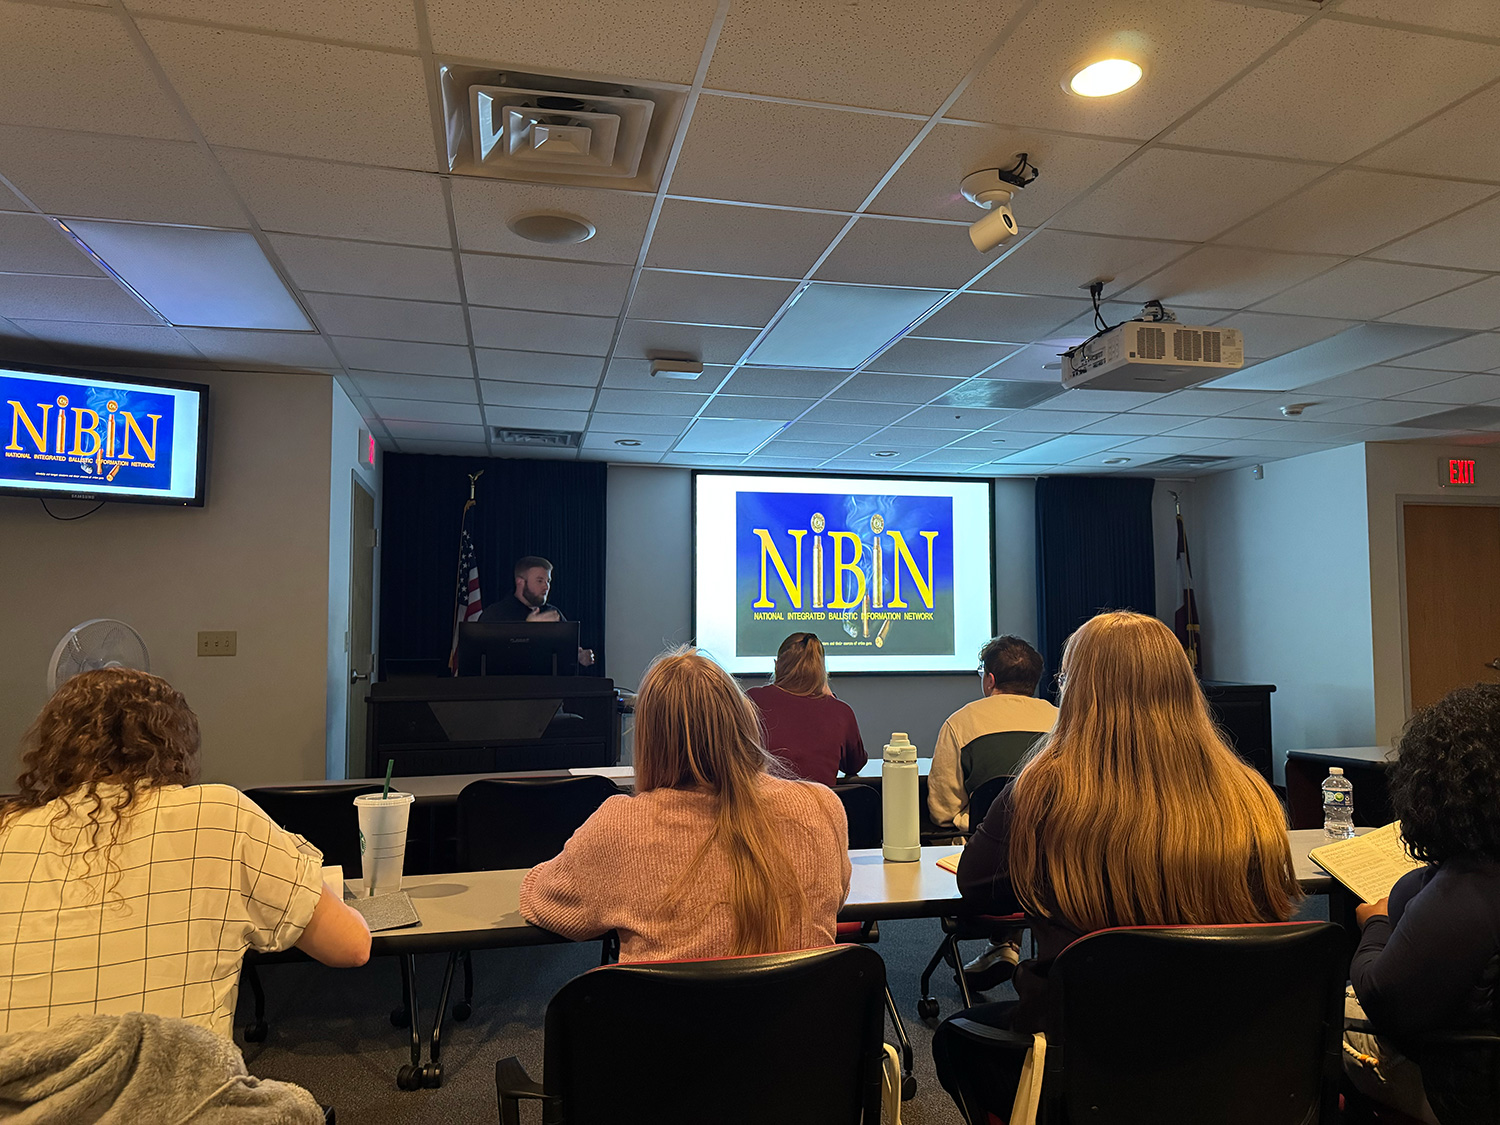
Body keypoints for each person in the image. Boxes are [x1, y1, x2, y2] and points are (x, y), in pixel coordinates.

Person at [934, 611, 1298, 1121]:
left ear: (1078, 693)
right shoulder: (1252, 797)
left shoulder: (1038, 793)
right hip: (1231, 1055)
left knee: (956, 1038)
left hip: (1087, 1058)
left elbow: (976, 886)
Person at [0, 669, 371, 1037]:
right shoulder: (220, 814)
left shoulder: (7, 829)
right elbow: (351, 945)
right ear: (174, 741)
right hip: (172, 1073)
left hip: (21, 1073)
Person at [519, 646, 850, 960]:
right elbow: (836, 894)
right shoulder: (822, 807)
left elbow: (541, 900)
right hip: (802, 1003)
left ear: (650, 738)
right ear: (742, 720)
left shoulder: (619, 827)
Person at [1346, 683, 1500, 1125]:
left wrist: (1376, 924)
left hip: (1467, 1094)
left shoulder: (1466, 893)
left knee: (1319, 1015)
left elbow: (1382, 998)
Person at [928, 635, 1057, 989]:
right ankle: (1007, 945)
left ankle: (1002, 945)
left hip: (986, 871)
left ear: (989, 680)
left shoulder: (960, 723)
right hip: (1057, 869)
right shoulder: (1064, 722)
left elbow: (942, 811)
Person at [746, 633, 866, 787]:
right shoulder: (841, 712)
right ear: (822, 673)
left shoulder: (752, 699)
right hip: (820, 802)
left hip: (760, 801)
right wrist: (831, 699)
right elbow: (854, 765)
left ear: (776, 666)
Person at [485, 554, 595, 666]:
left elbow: (567, 651)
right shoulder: (496, 614)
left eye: (548, 581)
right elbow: (492, 657)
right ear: (520, 582)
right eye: (540, 581)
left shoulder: (552, 613)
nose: (546, 587)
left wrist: (579, 657)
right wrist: (528, 629)